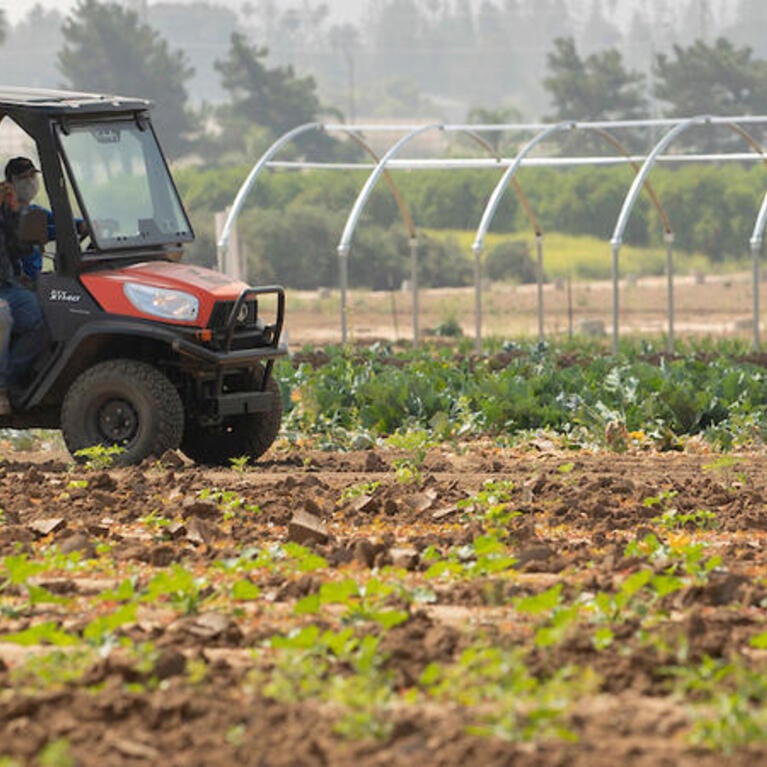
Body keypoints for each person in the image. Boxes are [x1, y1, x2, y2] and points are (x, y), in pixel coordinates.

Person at [0, 178, 46, 414]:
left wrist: (14, 209)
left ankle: (9, 377)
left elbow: (20, 248)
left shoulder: (4, 211)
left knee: (41, 316)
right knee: (2, 315)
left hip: (7, 284)